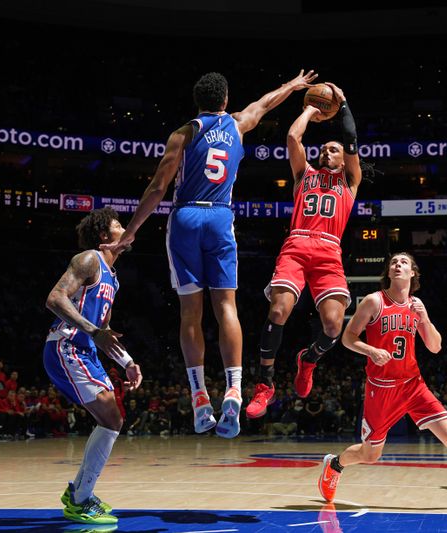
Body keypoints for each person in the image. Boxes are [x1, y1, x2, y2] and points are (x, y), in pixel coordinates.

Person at [102, 70, 317, 438]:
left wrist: (131, 232)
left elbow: (157, 187)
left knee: (191, 312)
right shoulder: (236, 124)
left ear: (196, 101)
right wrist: (292, 86)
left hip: (185, 216)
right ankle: (234, 388)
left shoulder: (182, 133)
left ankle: (200, 397)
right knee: (226, 308)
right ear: (226, 99)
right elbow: (265, 103)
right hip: (220, 216)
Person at [318, 252, 447, 510]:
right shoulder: (373, 301)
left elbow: (435, 347)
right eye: (393, 262)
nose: (397, 265)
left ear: (413, 272)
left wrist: (424, 318)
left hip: (413, 385)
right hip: (381, 389)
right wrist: (370, 350)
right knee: (370, 454)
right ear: (389, 272)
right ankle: (334, 465)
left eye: (403, 262)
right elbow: (349, 338)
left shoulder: (417, 306)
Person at [247, 83, 363, 418]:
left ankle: (307, 359)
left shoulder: (350, 181)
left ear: (344, 161)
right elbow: (293, 139)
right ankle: (264, 384)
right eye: (324, 149)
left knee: (332, 327)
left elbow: (352, 138)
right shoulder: (304, 174)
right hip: (296, 245)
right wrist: (312, 109)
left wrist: (341, 105)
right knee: (279, 311)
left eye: (333, 150)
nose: (326, 152)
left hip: (329, 251)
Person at [44, 207, 142, 525]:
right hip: (66, 346)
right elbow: (55, 298)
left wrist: (128, 363)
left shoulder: (113, 280)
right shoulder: (88, 259)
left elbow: (105, 334)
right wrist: (93, 331)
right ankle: (80, 498)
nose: (125, 229)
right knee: (111, 416)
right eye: (118, 225)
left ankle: (79, 493)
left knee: (113, 419)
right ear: (104, 236)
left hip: (86, 351)